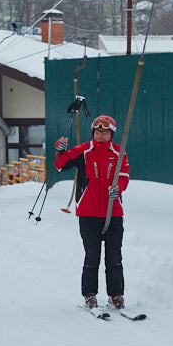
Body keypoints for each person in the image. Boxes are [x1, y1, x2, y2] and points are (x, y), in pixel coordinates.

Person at [54, 114, 130, 310]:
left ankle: (116, 294)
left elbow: (124, 176)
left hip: (113, 211)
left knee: (114, 255)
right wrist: (60, 150)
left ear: (111, 134)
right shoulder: (84, 150)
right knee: (92, 255)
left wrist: (118, 188)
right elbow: (61, 165)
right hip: (88, 211)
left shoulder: (119, 153)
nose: (101, 135)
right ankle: (90, 295)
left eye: (105, 132)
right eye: (98, 131)